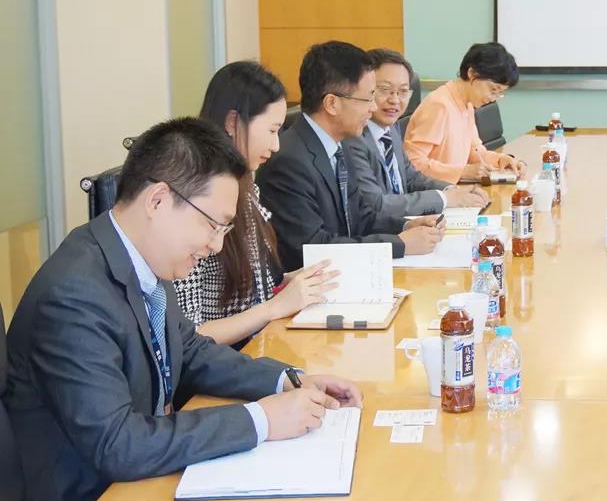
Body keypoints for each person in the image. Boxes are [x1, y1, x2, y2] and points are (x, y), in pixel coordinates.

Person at [2, 118, 362, 501]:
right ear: (158, 201)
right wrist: (261, 420)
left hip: (136, 485)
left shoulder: (139, 258)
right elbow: (119, 444)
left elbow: (189, 350)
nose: (216, 245)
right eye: (212, 225)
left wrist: (289, 380)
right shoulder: (74, 295)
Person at [174, 61, 340, 346]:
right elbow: (189, 336)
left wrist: (286, 283)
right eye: (272, 130)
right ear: (232, 122)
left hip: (258, 346)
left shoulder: (245, 184)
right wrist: (273, 308)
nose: (276, 145)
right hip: (224, 361)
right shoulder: (192, 198)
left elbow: (246, 291)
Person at [258, 41, 445, 271]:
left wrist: (406, 226)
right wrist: (399, 245)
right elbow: (314, 246)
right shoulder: (289, 162)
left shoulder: (340, 144)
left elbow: (361, 216)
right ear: (332, 103)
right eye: (368, 99)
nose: (372, 108)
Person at [345, 48, 489, 231]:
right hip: (384, 234)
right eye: (385, 90)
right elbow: (376, 204)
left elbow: (411, 177)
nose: (395, 100)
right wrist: (445, 199)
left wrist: (451, 190)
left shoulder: (390, 127)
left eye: (403, 91)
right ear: (367, 90)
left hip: (410, 224)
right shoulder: (353, 138)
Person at [404, 42, 527, 184]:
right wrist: (462, 172)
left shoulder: (467, 104)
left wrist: (500, 160)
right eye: (493, 89)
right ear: (472, 73)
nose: (493, 98)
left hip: (454, 189)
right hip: (434, 191)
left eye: (500, 93)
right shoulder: (439, 105)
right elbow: (412, 163)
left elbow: (474, 151)